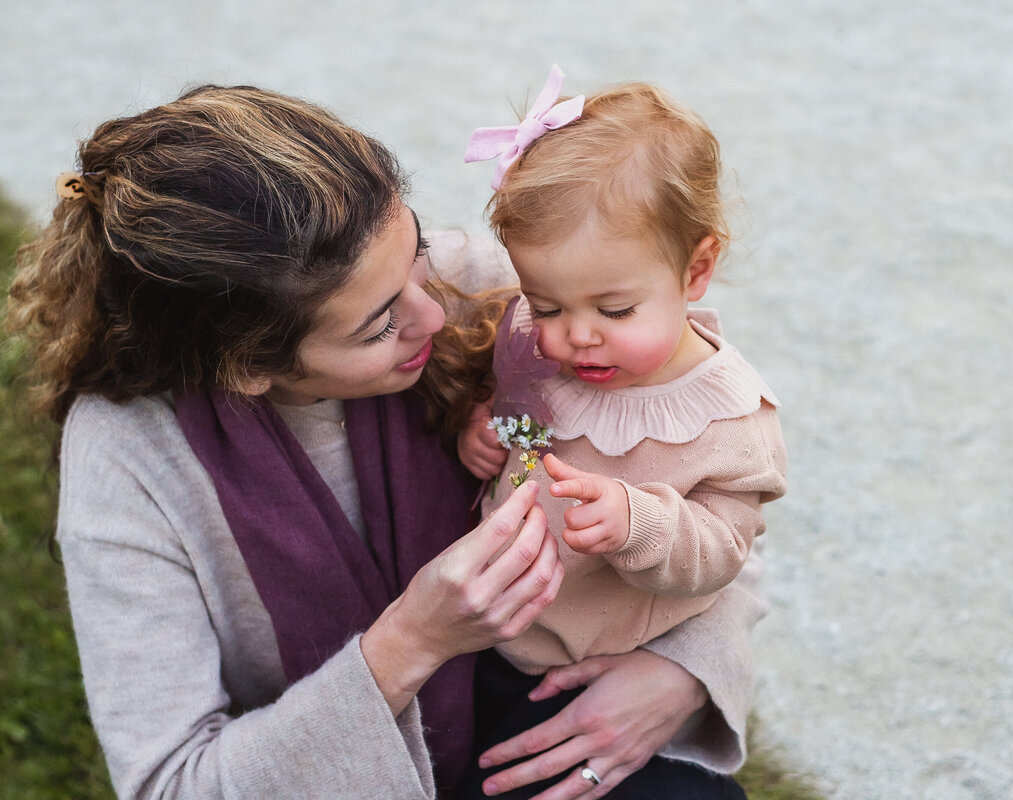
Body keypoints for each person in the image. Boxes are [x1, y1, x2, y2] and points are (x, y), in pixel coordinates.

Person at [5, 84, 767, 800]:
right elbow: (174, 783)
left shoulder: (498, 290)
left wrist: (683, 671)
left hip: (541, 711)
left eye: (414, 261)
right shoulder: (132, 458)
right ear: (246, 369)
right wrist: (411, 642)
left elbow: (707, 468)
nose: (433, 317)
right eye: (378, 326)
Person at [456, 68, 787, 798]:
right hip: (486, 634)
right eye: (548, 306)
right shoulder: (535, 336)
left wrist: (636, 521)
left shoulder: (729, 416)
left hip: (597, 665)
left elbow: (723, 549)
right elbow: (519, 403)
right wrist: (488, 434)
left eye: (614, 310)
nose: (575, 339)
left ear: (696, 269)